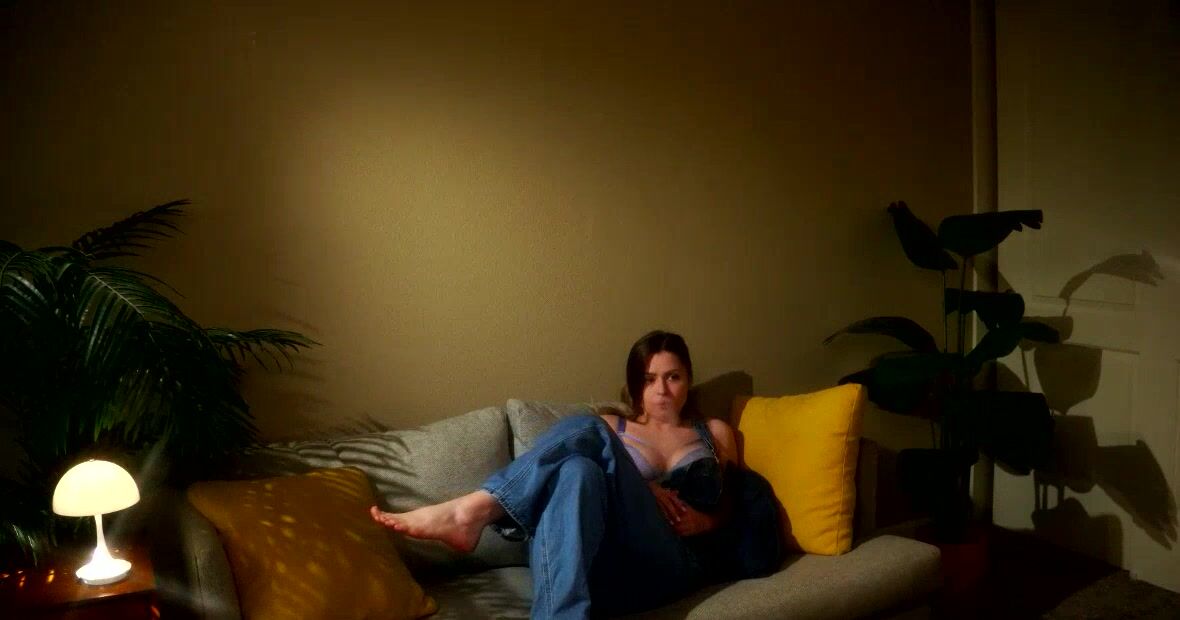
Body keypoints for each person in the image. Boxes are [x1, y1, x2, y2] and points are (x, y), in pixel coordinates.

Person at [370, 330, 758, 619]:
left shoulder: (714, 432)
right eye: (649, 378)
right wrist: (640, 487)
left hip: (677, 560)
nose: (662, 390)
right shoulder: (615, 426)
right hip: (610, 562)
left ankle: (472, 510)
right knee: (577, 469)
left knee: (589, 431)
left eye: (673, 377)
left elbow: (739, 502)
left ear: (688, 380)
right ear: (634, 385)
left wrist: (706, 521)